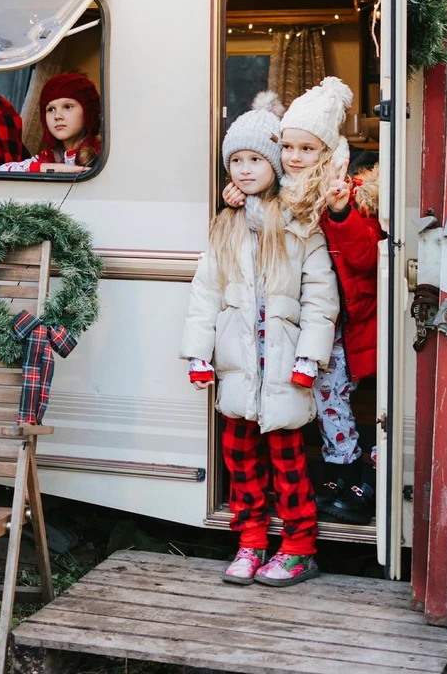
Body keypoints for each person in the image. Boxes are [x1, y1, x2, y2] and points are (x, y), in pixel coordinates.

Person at [181, 91, 338, 587]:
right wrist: (198, 353)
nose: (245, 170)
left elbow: (320, 298)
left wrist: (310, 358)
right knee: (241, 463)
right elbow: (206, 293)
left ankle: (299, 548)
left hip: (286, 368)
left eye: (255, 160)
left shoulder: (300, 225)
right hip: (238, 369)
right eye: (236, 161)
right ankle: (250, 542)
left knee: (289, 465)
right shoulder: (226, 226)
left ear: (274, 164)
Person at [225, 77, 384, 525]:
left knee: (342, 394)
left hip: (348, 318)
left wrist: (340, 212)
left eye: (307, 149)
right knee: (320, 394)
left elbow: (365, 257)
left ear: (328, 152)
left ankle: (359, 473)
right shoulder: (280, 193)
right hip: (306, 317)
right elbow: (261, 223)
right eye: (288, 147)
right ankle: (338, 473)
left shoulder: (349, 192)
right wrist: (238, 197)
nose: (295, 157)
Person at [0, 72, 101, 174]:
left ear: (88, 112)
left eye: (67, 107)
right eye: (51, 109)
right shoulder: (50, 155)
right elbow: (2, 171)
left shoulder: (104, 153)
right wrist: (59, 168)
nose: (57, 116)